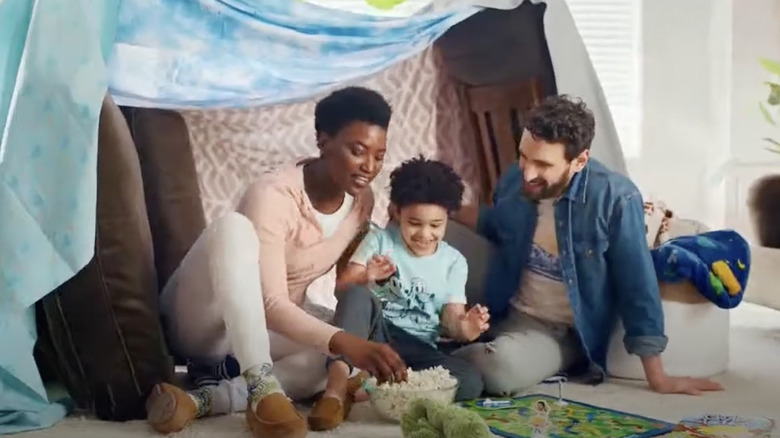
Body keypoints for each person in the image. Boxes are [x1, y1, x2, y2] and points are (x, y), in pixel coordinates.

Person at [144, 86, 408, 438]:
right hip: (203, 324)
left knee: (334, 366)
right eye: (357, 151)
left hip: (264, 336)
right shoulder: (272, 194)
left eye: (379, 155)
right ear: (323, 140)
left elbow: (343, 281)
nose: (369, 168)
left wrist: (372, 283)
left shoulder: (362, 201)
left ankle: (203, 400)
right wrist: (346, 340)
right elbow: (269, 303)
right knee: (233, 228)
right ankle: (262, 389)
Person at [451, 94, 724, 397]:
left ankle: (439, 357)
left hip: (553, 331)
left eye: (542, 164)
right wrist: (435, 208)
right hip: (501, 302)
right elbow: (494, 225)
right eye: (523, 156)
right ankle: (432, 341)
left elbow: (637, 285)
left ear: (579, 160)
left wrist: (658, 378)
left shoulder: (615, 198)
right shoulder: (518, 178)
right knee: (430, 231)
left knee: (500, 370)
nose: (527, 172)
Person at [307, 157, 490, 430]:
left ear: (447, 219)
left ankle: (374, 383)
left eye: (436, 225)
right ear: (396, 212)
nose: (425, 234)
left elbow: (452, 322)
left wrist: (468, 328)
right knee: (358, 295)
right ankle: (335, 391)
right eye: (414, 223)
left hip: (417, 350)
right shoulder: (380, 240)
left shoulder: (454, 262)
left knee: (471, 380)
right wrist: (367, 276)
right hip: (374, 335)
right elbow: (343, 288)